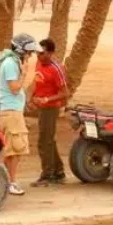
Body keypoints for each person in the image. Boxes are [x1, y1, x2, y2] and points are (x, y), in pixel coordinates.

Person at [0, 32, 42, 196]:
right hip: (11, 113)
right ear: (22, 51)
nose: (30, 56)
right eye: (29, 52)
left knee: (13, 149)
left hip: (13, 112)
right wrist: (25, 72)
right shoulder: (10, 64)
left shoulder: (12, 62)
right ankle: (7, 182)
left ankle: (1, 180)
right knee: (13, 150)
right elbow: (14, 88)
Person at [31, 38, 69, 187]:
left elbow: (65, 92)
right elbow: (37, 82)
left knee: (44, 141)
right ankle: (58, 172)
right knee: (49, 140)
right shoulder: (39, 63)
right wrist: (33, 97)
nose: (39, 56)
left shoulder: (56, 68)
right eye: (37, 53)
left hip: (51, 108)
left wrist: (47, 99)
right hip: (42, 107)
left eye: (42, 53)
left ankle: (48, 175)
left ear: (51, 53)